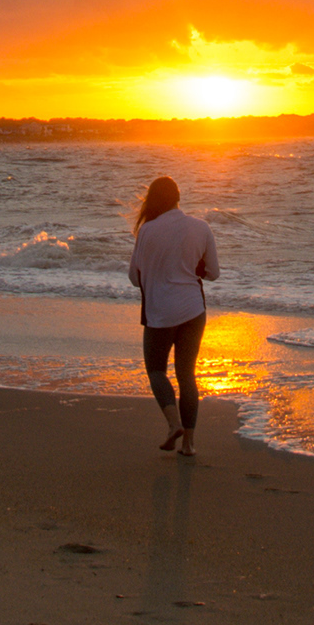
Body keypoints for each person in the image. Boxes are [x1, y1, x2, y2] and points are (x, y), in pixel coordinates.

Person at [126, 174, 217, 455]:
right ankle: (188, 444)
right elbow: (213, 273)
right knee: (187, 374)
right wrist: (191, 268)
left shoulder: (147, 231)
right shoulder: (201, 227)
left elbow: (134, 278)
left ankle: (173, 424)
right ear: (178, 198)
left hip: (160, 313)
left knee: (156, 370)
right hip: (193, 309)